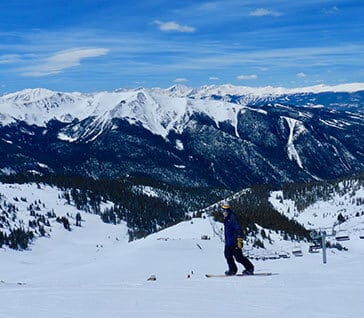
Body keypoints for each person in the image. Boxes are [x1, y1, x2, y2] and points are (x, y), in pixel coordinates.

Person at [221, 201, 254, 276]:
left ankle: (249, 268)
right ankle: (232, 270)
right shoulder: (226, 218)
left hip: (234, 242)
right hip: (228, 242)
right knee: (228, 255)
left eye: (225, 210)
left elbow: (238, 229)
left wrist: (239, 239)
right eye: (223, 210)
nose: (223, 212)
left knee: (238, 257)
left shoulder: (232, 218)